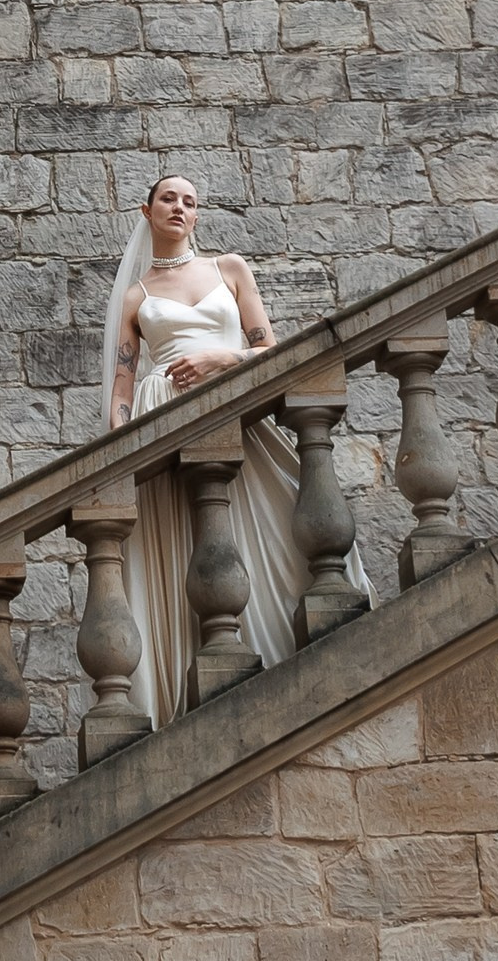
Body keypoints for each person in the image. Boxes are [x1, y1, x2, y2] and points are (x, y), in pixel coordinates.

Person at [100, 174, 369, 726]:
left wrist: (221, 360)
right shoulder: (137, 296)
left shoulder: (230, 269)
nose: (180, 207)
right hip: (162, 414)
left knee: (263, 519)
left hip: (229, 404)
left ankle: (273, 655)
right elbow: (122, 387)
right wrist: (120, 445)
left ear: (198, 216)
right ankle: (186, 687)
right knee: (178, 539)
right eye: (169, 199)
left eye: (191, 202)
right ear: (146, 211)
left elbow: (269, 351)